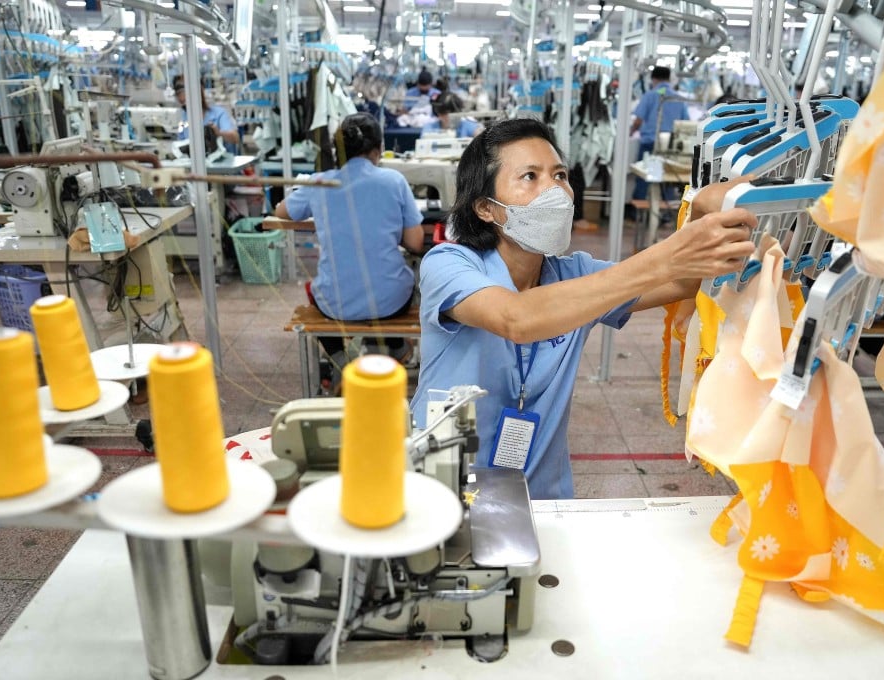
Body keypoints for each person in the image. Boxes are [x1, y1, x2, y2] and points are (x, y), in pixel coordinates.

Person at [411, 118, 757, 499]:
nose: (555, 191)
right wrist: (665, 257)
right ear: (485, 208)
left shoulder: (573, 275)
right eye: (530, 176)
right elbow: (516, 318)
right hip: (447, 479)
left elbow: (678, 283)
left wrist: (708, 215)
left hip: (539, 492)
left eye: (560, 175)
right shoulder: (448, 264)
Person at [274, 112, 425, 373]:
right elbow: (415, 242)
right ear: (379, 149)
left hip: (336, 305)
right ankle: (396, 347)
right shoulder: (394, 181)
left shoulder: (320, 183)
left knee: (317, 289)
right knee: (399, 278)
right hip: (392, 303)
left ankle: (341, 362)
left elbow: (282, 212)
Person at [630, 66, 689, 200]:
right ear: (669, 79)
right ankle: (666, 217)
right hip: (670, 147)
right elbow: (686, 124)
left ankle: (637, 213)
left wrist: (630, 132)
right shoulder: (679, 98)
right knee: (667, 179)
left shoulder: (650, 95)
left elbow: (638, 119)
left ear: (653, 79)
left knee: (645, 178)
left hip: (651, 144)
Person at [173, 75, 240, 154]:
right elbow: (182, 143)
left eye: (186, 101)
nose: (185, 106)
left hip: (223, 164)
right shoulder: (185, 117)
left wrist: (218, 133)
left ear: (199, 93)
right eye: (183, 103)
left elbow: (235, 138)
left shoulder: (219, 114)